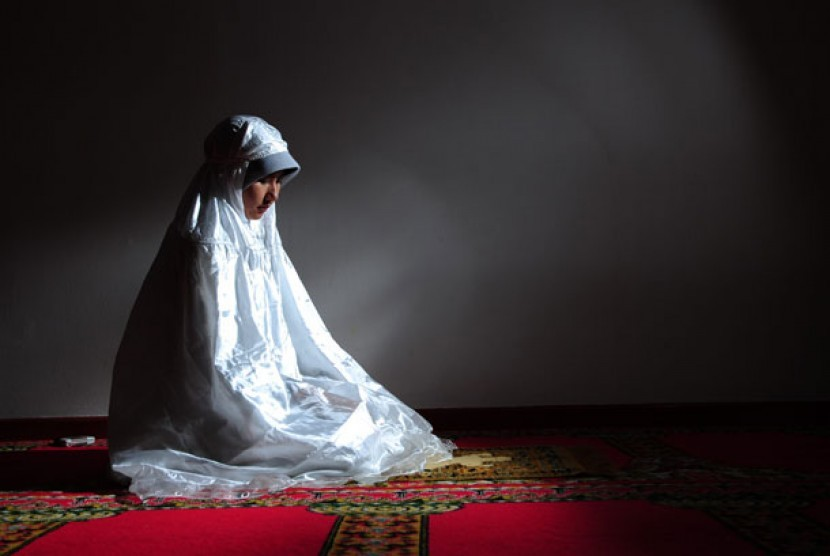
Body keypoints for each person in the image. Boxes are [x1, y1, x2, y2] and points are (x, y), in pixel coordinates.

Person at [108, 115, 453, 499]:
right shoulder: (205, 247)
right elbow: (208, 355)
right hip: (219, 397)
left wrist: (286, 383)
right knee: (337, 442)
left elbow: (293, 322)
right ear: (231, 177)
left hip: (263, 380)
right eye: (262, 180)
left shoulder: (258, 236)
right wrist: (261, 395)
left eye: (278, 181)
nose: (272, 194)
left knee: (358, 410)